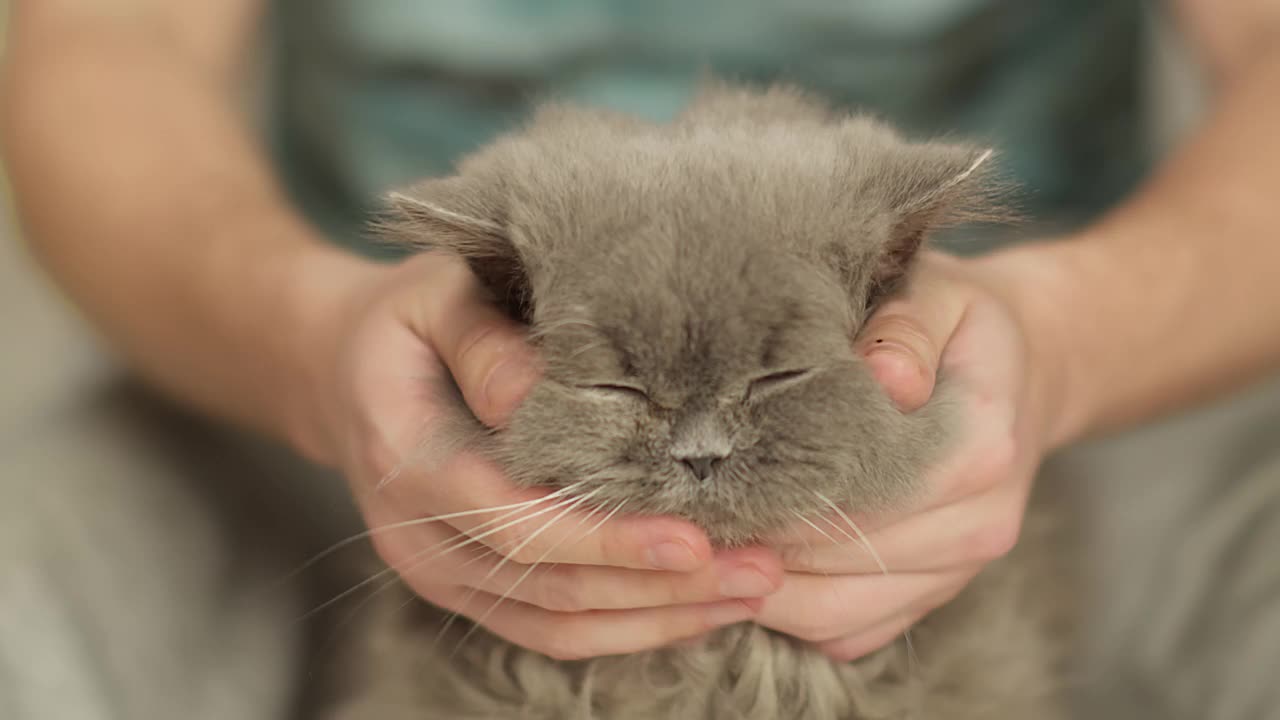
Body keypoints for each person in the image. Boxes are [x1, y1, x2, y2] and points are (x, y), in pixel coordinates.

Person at [2, 1, 1279, 718]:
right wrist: (299, 340)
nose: (703, 452)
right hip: (366, 353)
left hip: (1051, 358)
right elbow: (104, 43)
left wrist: (1066, 340)